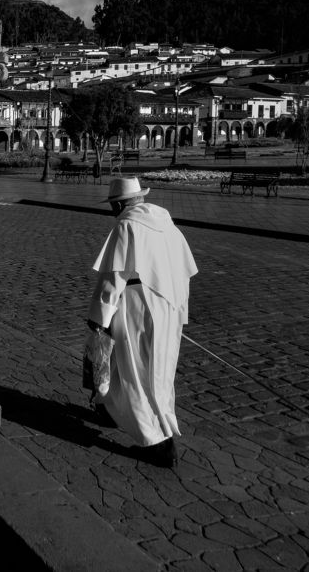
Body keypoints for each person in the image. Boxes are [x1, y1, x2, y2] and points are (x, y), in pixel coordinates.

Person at [85, 177, 198, 468]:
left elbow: (114, 278)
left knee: (135, 371)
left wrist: (99, 319)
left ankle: (158, 442)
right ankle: (110, 410)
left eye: (114, 206)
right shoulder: (167, 224)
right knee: (157, 374)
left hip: (137, 308)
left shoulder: (126, 225)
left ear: (120, 204)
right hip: (168, 306)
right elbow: (184, 270)